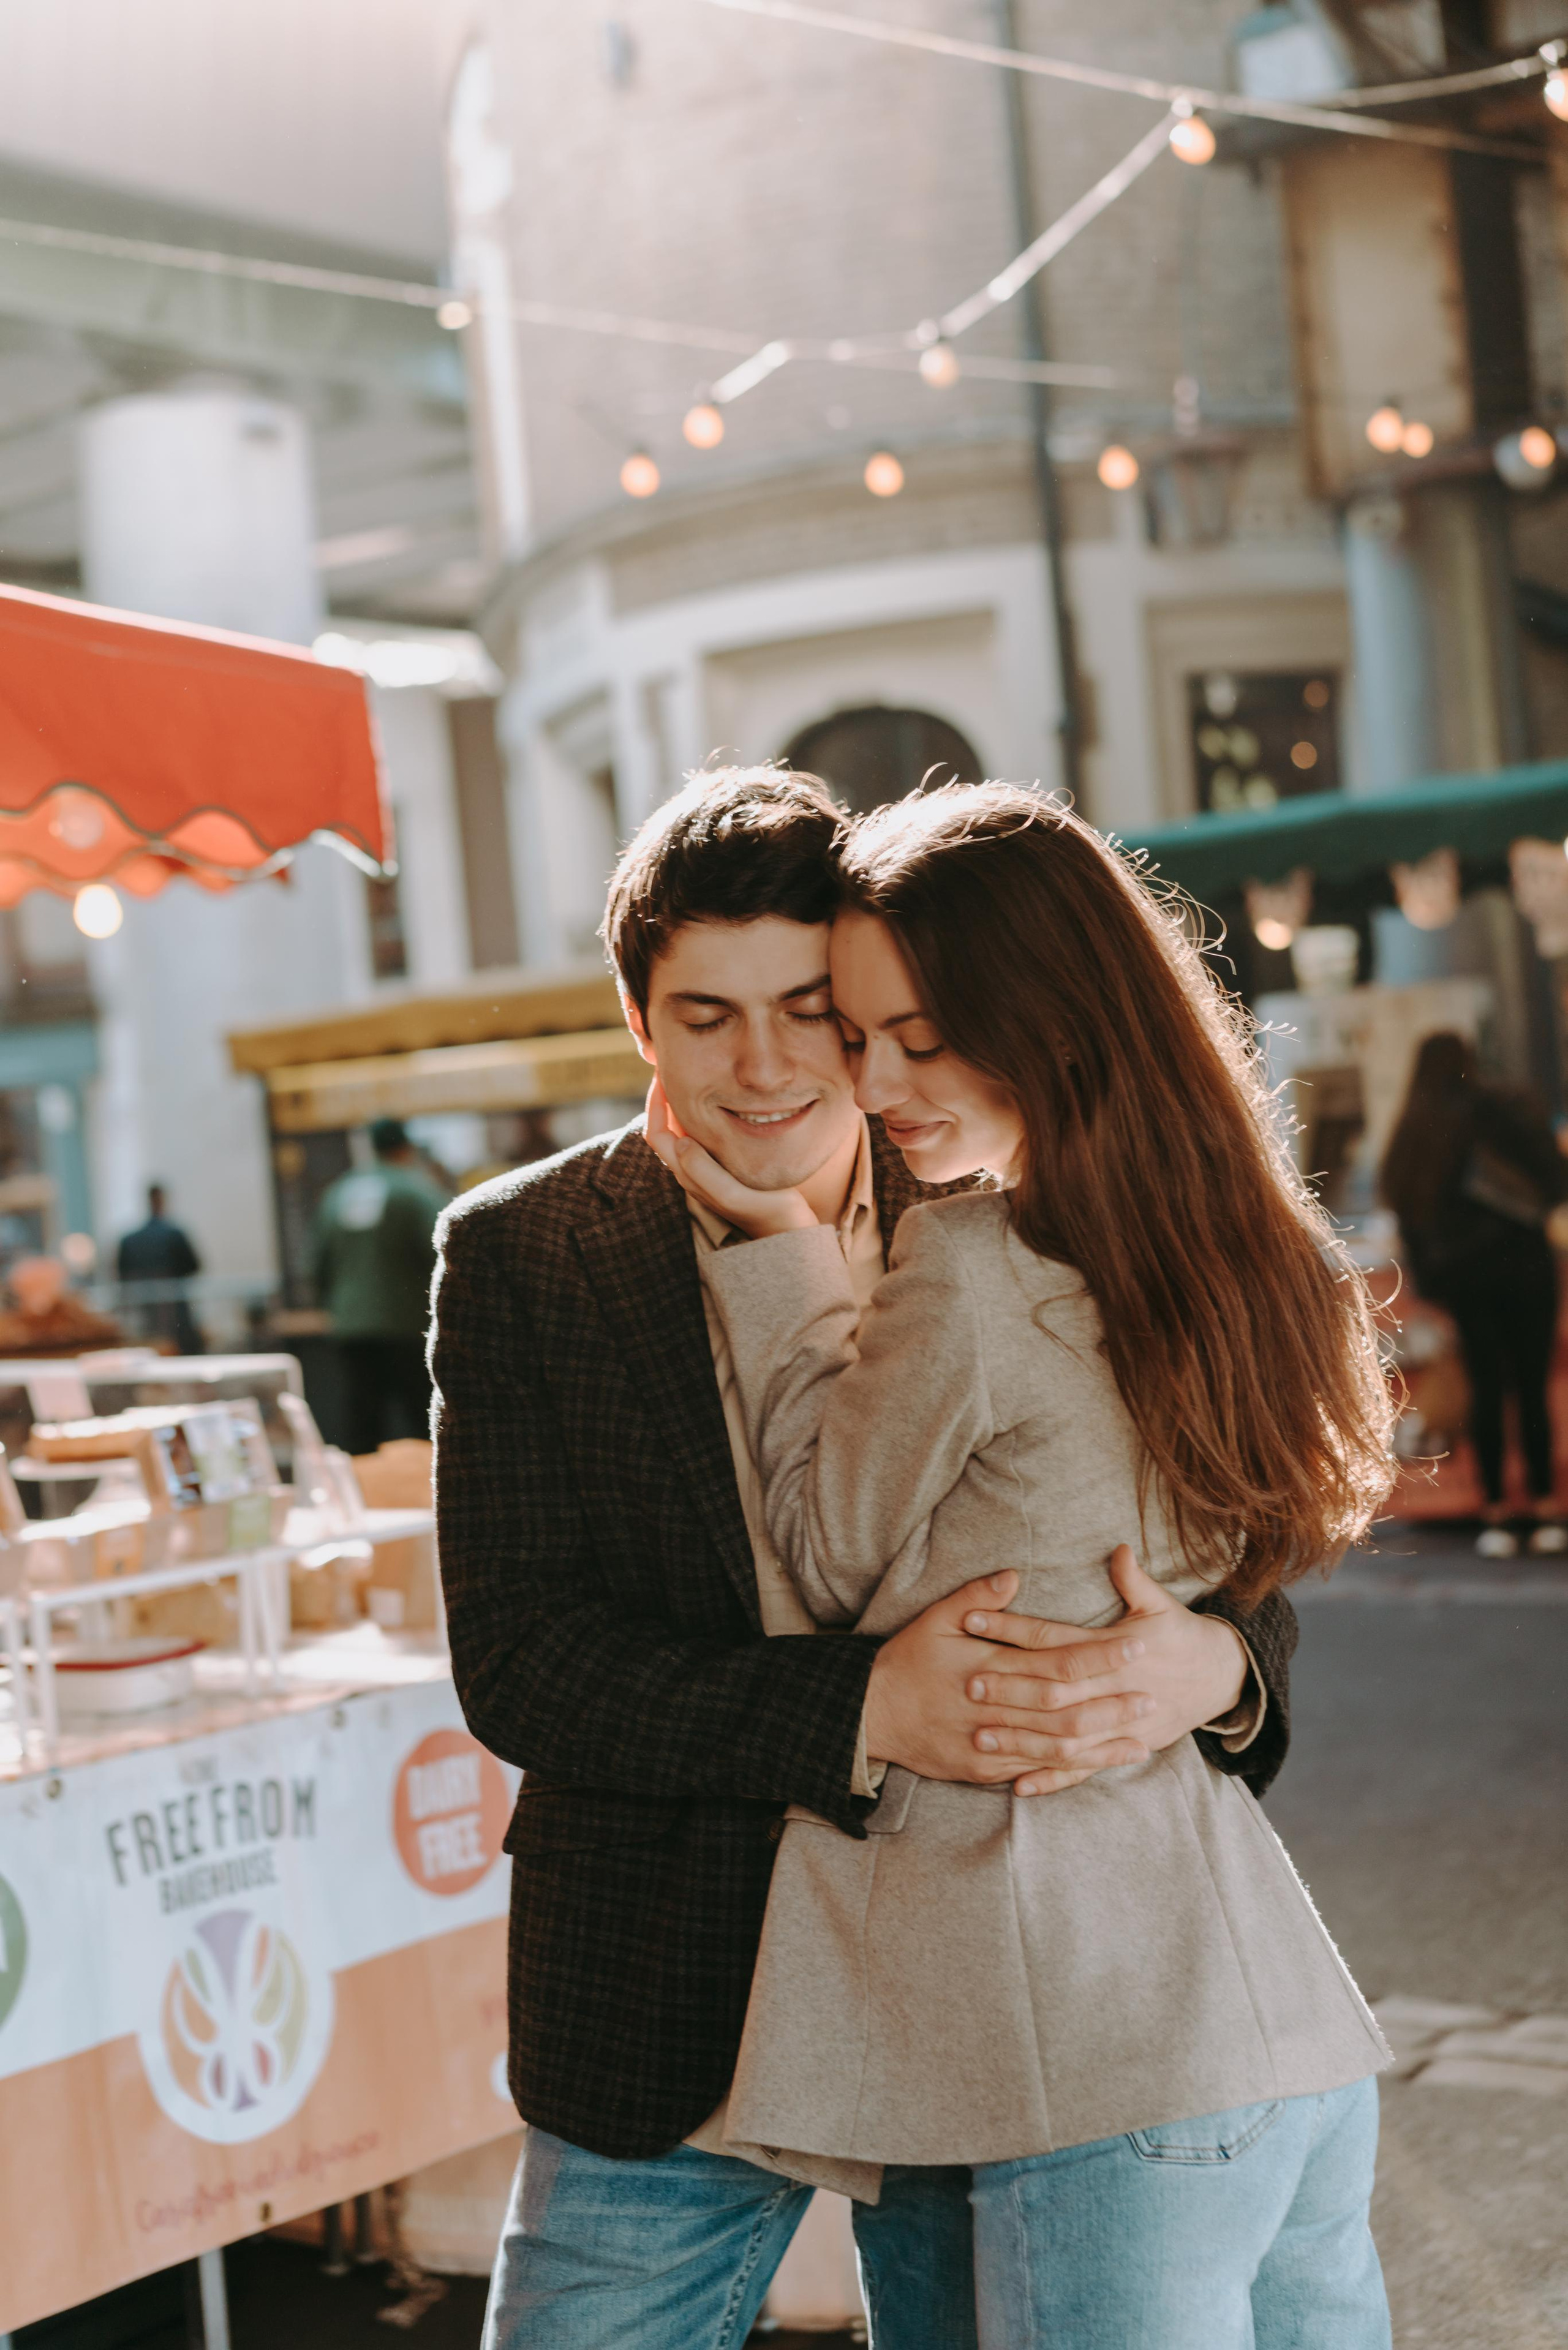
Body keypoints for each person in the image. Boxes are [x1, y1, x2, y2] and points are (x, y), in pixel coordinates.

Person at [430, 769, 1302, 2350]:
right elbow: (522, 1658)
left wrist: (1221, 1664)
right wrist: (861, 1711)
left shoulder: (993, 1181)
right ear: (638, 1020)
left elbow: (1204, 1525)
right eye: (706, 1016)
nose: (768, 1066)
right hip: (670, 1986)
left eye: (814, 1010)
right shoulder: (524, 1251)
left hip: (979, 1990)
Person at [651, 783, 1397, 2350]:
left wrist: (780, 1254)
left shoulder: (976, 1262)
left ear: (1051, 1021)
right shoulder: (1239, 1245)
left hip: (1080, 2051)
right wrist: (1209, 1662)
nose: (876, 1080)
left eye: (922, 1036)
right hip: (1267, 2029)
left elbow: (815, 1558)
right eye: (861, 1035)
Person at [1381, 1030, 1568, 1558]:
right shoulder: (1506, 1112)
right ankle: (1546, 1506)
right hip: (1527, 1266)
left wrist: (1428, 1285)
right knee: (1530, 1384)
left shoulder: (1419, 1125)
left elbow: (1406, 1209)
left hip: (1464, 1279)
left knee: (1485, 1385)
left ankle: (1495, 1514)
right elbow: (1556, 1182)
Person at [314, 1117, 447, 1455]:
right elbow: (444, 1252)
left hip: (352, 1324)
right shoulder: (416, 1191)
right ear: (406, 1147)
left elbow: (316, 1263)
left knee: (361, 1420)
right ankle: (430, 1496)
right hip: (407, 1321)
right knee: (425, 1417)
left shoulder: (338, 1193)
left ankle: (364, 1496)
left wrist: (335, 1305)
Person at [116, 1183, 203, 1354]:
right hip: (173, 1315)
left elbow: (122, 1275)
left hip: (147, 1315)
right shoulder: (174, 1235)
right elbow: (194, 1267)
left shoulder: (131, 1240)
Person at [0, 1253, 124, 1357]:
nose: (39, 1292)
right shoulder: (10, 1325)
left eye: (43, 1283)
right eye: (31, 1286)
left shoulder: (79, 1317)